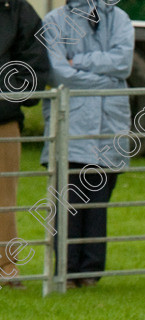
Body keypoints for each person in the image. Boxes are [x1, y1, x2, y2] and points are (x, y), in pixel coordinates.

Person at [40, 0, 134, 288]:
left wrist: (78, 62)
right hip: (71, 128)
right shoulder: (55, 21)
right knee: (69, 204)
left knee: (98, 203)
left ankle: (90, 273)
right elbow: (58, 72)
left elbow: (123, 63)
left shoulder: (119, 18)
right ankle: (67, 273)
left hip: (110, 129)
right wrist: (108, 80)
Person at [0, 0, 50, 289]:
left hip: (3, 118)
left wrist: (7, 93)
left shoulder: (17, 10)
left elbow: (36, 63)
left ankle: (6, 267)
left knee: (4, 198)